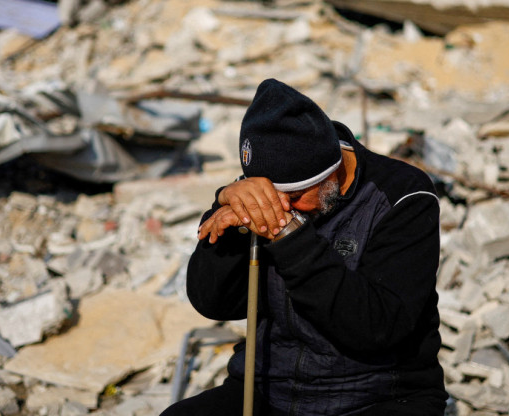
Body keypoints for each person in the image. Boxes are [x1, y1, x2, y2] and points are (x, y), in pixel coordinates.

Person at [160, 79, 447, 416]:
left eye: (294, 198)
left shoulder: (403, 197)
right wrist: (227, 224)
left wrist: (290, 237)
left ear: (332, 170)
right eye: (270, 196)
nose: (281, 208)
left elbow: (378, 328)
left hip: (376, 393)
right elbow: (215, 303)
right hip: (270, 388)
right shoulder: (268, 196)